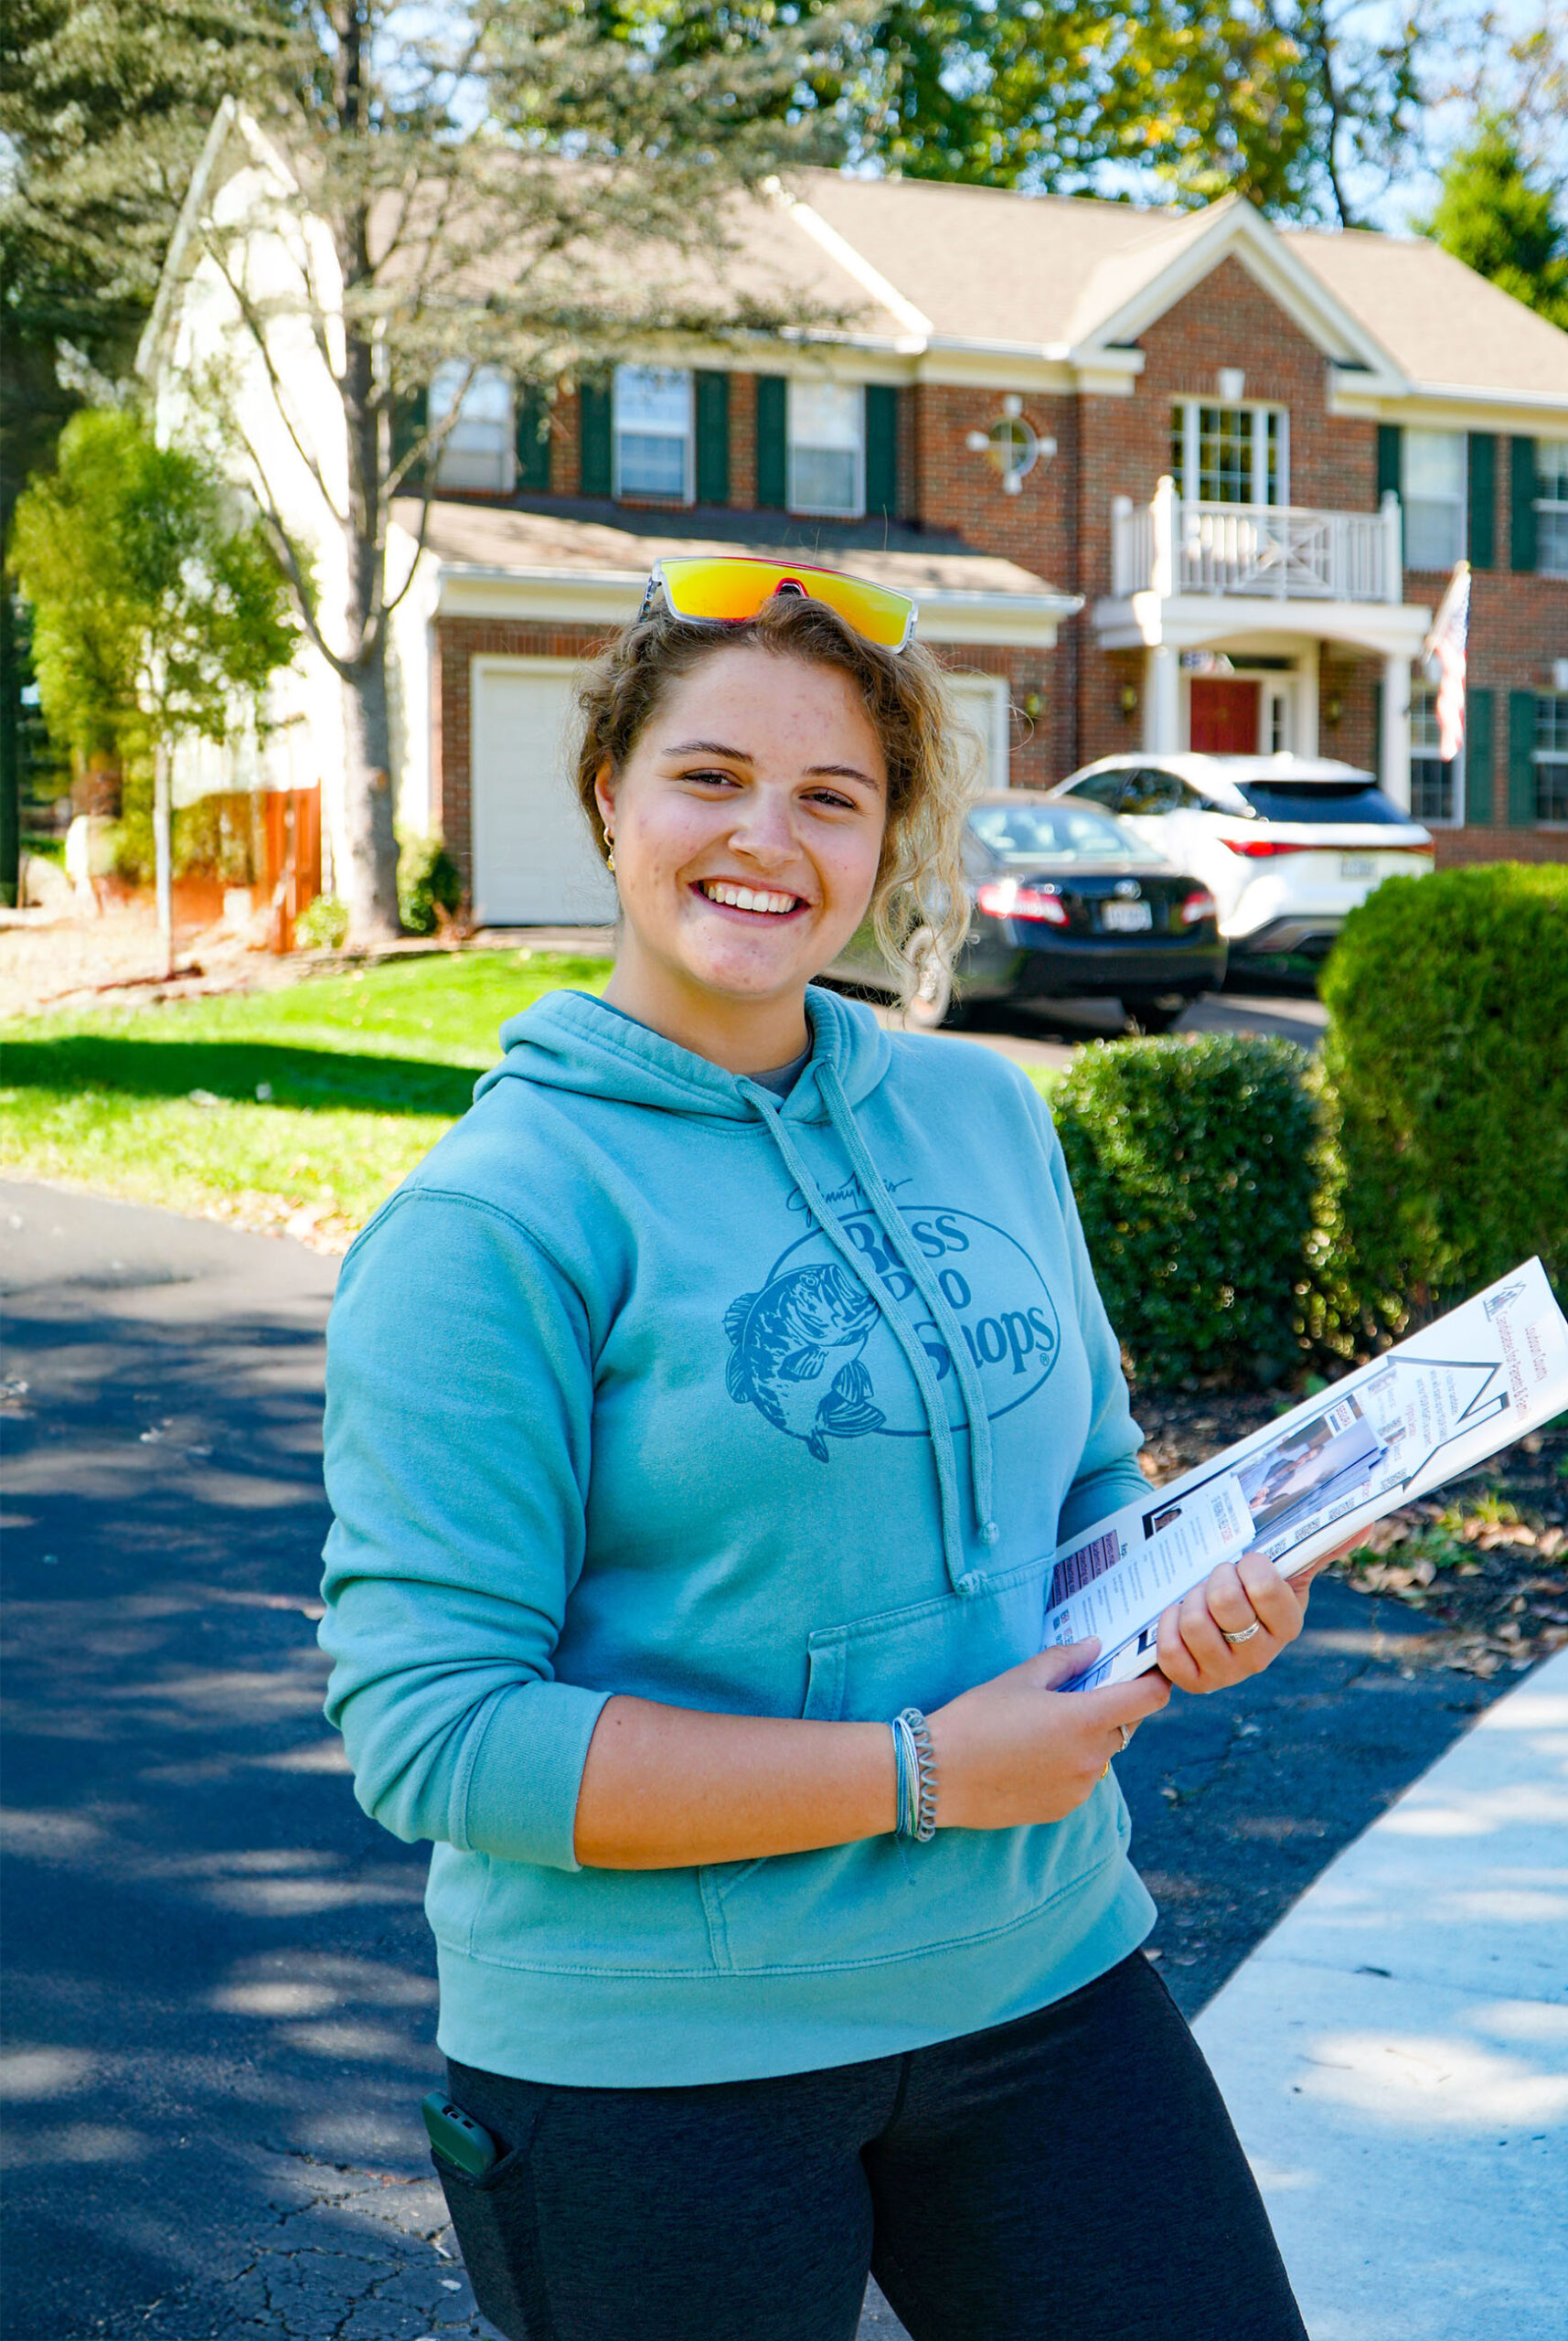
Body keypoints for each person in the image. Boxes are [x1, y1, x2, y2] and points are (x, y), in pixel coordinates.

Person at [319, 557, 1344, 2341]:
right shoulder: (495, 1220)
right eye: (710, 775)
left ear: (885, 838)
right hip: (651, 2063)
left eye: (831, 794)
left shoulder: (980, 1112)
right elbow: (438, 1734)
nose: (766, 839)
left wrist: (1192, 1591)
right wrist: (919, 1767)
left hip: (1045, 1975)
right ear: (608, 796)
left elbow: (1089, 1474)